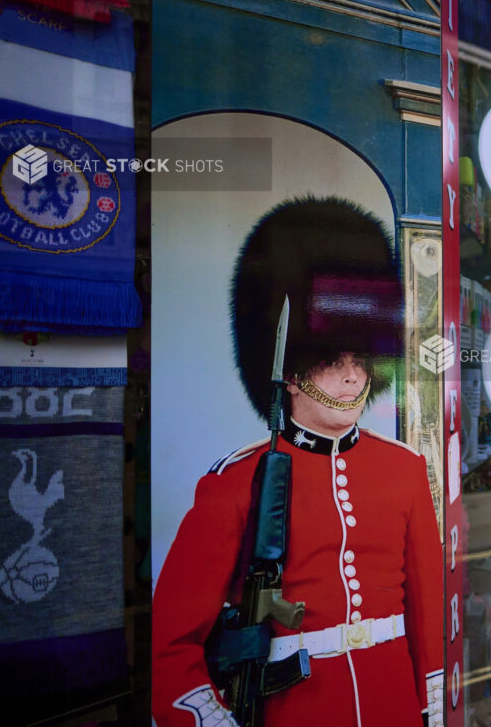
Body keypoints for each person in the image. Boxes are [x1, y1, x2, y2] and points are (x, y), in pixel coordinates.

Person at [152, 198, 443, 727]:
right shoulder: (237, 483)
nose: (354, 379)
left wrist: (434, 706)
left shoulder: (402, 469)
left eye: (361, 360)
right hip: (296, 708)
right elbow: (170, 644)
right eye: (333, 361)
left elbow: (427, 612)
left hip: (393, 703)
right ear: (289, 370)